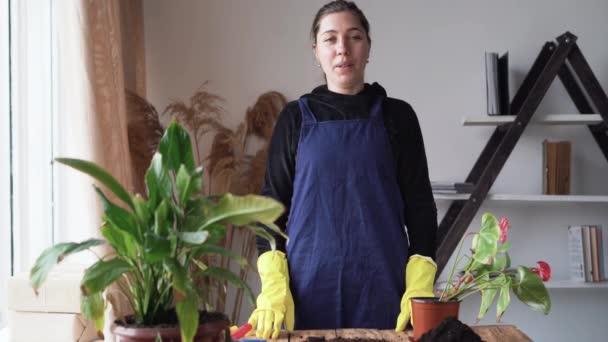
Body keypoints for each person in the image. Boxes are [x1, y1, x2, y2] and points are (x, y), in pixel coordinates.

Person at [248, 1, 438, 339]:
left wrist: (420, 284)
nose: (342, 49)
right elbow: (269, 210)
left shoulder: (399, 117)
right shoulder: (294, 118)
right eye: (330, 39)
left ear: (368, 48)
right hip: (307, 290)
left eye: (354, 37)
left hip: (383, 288)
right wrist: (274, 286)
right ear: (316, 52)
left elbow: (421, 208)